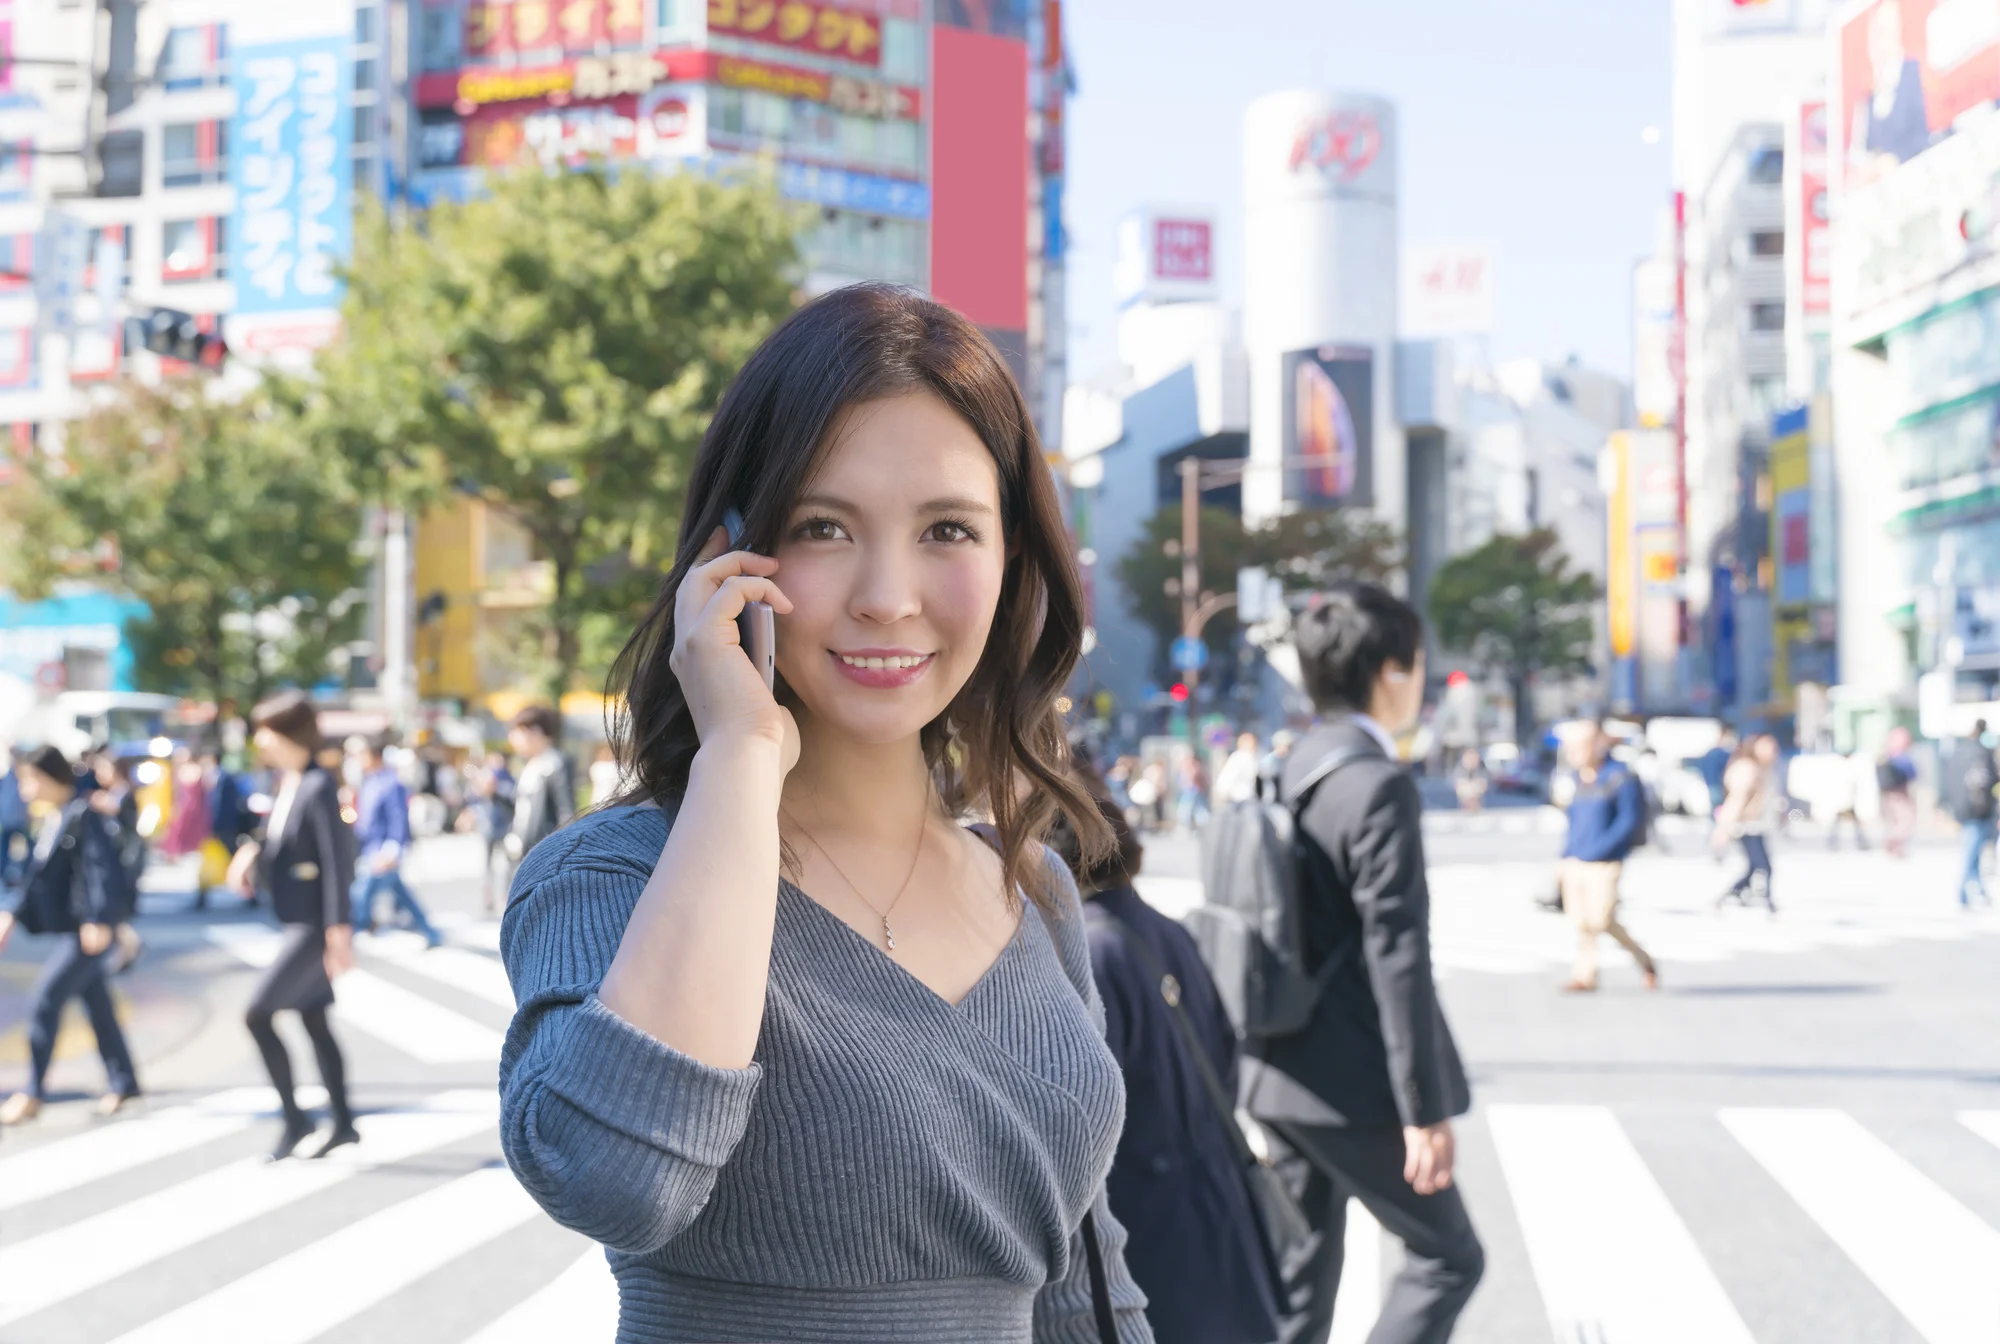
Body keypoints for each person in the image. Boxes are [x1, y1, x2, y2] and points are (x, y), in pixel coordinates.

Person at [497, 284, 1150, 1340]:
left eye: (946, 528)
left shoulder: (1033, 888)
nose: (888, 595)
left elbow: (1083, 1293)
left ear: (1011, 561)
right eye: (822, 526)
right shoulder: (615, 874)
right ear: (729, 556)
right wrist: (742, 759)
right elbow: (613, 1178)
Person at [1241, 583, 1483, 1344]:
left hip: (1275, 1067)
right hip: (1350, 1082)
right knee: (1448, 1258)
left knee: (1300, 1282)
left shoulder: (1294, 765)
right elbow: (1399, 954)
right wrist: (1423, 1106)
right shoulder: (1376, 785)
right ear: (1391, 673)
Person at [1053, 760, 1281, 1344]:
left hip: (1148, 1232)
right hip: (1215, 1212)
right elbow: (1225, 1059)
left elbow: (1083, 1121)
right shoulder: (1166, 931)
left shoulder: (1091, 956)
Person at [223, 692, 359, 1161]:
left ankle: (296, 1120)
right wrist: (252, 852)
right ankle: (342, 1123)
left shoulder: (319, 784)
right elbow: (282, 839)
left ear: (288, 733)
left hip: (313, 925)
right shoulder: (291, 780)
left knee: (257, 1014)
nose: (259, 739)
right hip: (296, 919)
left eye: (265, 729)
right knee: (314, 1019)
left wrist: (339, 931)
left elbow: (336, 862)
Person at [0, 746, 142, 1124]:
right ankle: (123, 1081)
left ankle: (32, 1092)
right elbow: (33, 879)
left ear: (49, 777)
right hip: (78, 930)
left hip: (89, 932)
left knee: (45, 999)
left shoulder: (83, 815)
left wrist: (100, 919)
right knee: (99, 1008)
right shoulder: (52, 818)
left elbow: (102, 870)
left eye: (30, 778)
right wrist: (10, 915)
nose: (25, 788)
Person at [1556, 722, 1660, 993]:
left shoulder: (1620, 777)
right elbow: (1574, 822)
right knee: (1582, 922)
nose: (1573, 753)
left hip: (1606, 860)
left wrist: (1601, 849)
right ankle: (1584, 975)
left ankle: (1643, 959)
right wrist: (1565, 855)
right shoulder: (1578, 779)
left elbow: (1629, 821)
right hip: (1575, 860)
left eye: (1579, 746)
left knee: (1601, 919)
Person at [349, 734, 443, 948]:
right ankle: (430, 932)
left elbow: (398, 819)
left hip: (382, 850)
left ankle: (355, 929)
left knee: (361, 893)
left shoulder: (392, 783)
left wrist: (392, 850)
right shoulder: (368, 782)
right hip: (368, 847)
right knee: (400, 895)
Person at [504, 705, 573, 871]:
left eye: (517, 732)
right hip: (525, 850)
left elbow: (565, 810)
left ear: (535, 732)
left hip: (543, 851)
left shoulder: (554, 763)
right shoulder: (530, 765)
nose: (512, 739)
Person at [1716, 734, 1780, 911]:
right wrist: (1723, 830)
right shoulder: (1747, 769)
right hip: (1745, 826)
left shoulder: (1765, 769)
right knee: (1763, 866)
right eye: (1767, 746)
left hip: (1758, 825)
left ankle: (1735, 894)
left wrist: (1786, 817)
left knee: (1755, 866)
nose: (1772, 751)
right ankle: (1766, 903)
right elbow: (1736, 800)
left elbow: (1775, 801)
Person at [1947, 721, 1998, 908]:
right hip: (1978, 810)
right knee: (1971, 851)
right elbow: (1985, 781)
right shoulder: (1981, 753)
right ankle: (1962, 891)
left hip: (1963, 809)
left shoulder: (1957, 752)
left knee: (1974, 851)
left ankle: (1979, 890)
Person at [466, 749, 516, 914]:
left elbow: (513, 799)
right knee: (487, 865)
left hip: (504, 827)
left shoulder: (508, 780)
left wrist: (495, 789)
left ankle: (504, 896)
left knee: (506, 866)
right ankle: (488, 896)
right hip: (488, 827)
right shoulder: (483, 779)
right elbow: (473, 800)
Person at [1876, 726, 1918, 859]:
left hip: (1887, 794)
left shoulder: (1886, 755)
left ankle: (1897, 850)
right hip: (1901, 793)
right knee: (1906, 820)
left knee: (1895, 821)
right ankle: (1893, 841)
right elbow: (1912, 774)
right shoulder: (1902, 757)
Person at [1825, 749, 1870, 851]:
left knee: (1847, 825)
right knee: (1839, 824)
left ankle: (1861, 844)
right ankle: (1833, 843)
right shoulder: (1844, 767)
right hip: (1843, 801)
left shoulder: (1842, 766)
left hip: (1845, 801)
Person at [1212, 732, 1264, 810]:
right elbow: (1225, 782)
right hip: (1240, 801)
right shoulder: (1240, 758)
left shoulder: (1250, 758)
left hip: (1246, 801)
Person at [1451, 747, 1489, 813]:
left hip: (1476, 795)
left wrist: (1474, 789)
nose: (1472, 760)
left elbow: (1483, 784)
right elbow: (1458, 785)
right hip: (1465, 795)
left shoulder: (1481, 768)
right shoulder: (1460, 769)